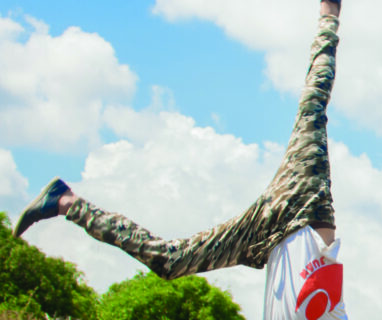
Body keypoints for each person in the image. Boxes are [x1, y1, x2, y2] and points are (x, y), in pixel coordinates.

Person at [14, 0, 344, 317]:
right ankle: (329, 11)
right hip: (304, 201)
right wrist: (330, 16)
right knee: (313, 105)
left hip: (267, 239)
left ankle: (66, 202)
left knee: (171, 262)